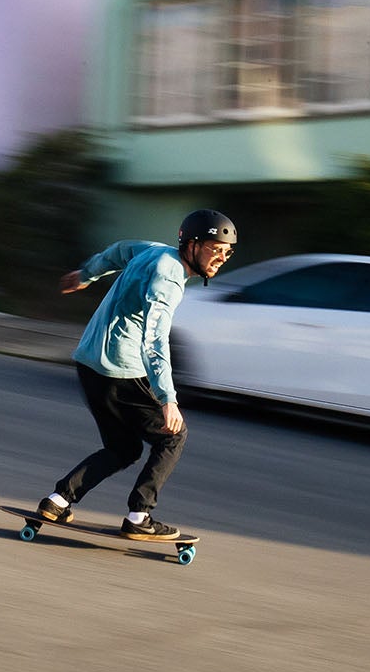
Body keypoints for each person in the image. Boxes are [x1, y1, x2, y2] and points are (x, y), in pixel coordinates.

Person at [33, 210, 238, 540]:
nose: (221, 258)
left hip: (89, 363)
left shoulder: (154, 251)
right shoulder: (168, 279)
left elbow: (117, 251)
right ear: (193, 245)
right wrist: (168, 399)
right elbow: (155, 340)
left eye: (227, 252)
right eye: (215, 248)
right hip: (120, 369)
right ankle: (140, 517)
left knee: (122, 448)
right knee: (173, 436)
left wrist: (86, 274)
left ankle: (57, 502)